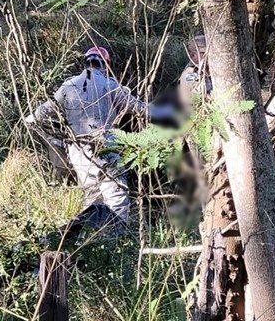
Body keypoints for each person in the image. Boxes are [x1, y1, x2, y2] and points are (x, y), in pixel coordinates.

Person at [26, 46, 173, 232]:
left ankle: (92, 239)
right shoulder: (110, 85)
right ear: (106, 64)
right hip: (105, 145)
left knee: (91, 199)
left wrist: (30, 118)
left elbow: (43, 112)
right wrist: (169, 110)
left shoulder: (68, 86)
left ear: (85, 62)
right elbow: (142, 110)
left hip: (77, 151)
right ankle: (118, 239)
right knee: (116, 194)